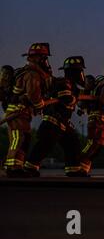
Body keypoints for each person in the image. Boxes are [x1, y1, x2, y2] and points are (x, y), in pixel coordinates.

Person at [24, 56, 88, 177]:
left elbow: (78, 96)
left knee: (72, 143)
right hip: (52, 122)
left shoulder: (71, 85)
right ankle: (30, 167)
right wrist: (72, 98)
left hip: (63, 123)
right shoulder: (64, 83)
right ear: (74, 72)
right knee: (45, 145)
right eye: (80, 71)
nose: (81, 74)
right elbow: (66, 98)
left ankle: (73, 169)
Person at [3, 43, 52, 177]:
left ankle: (17, 166)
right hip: (18, 112)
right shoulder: (32, 74)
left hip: (22, 112)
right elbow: (32, 94)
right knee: (18, 138)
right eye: (44, 58)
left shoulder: (26, 71)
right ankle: (12, 166)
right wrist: (39, 104)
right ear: (36, 58)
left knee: (25, 139)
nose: (45, 62)